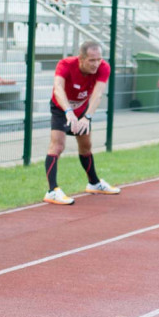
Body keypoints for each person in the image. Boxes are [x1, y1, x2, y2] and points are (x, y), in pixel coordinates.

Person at [43, 40, 120, 205]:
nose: (96, 64)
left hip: (83, 110)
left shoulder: (104, 68)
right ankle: (52, 190)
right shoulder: (65, 64)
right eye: (92, 60)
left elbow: (97, 94)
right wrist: (68, 112)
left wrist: (87, 117)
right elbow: (58, 89)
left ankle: (94, 183)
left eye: (99, 59)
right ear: (81, 59)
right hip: (61, 108)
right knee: (57, 145)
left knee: (86, 146)